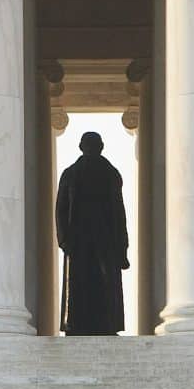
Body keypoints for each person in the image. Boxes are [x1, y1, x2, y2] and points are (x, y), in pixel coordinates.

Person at [54, 131, 129, 336]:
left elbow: (118, 211)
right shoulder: (72, 174)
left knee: (101, 282)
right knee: (82, 282)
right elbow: (61, 209)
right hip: (80, 239)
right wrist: (64, 240)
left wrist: (122, 247)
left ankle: (105, 324)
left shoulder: (109, 174)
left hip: (102, 238)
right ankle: (78, 324)